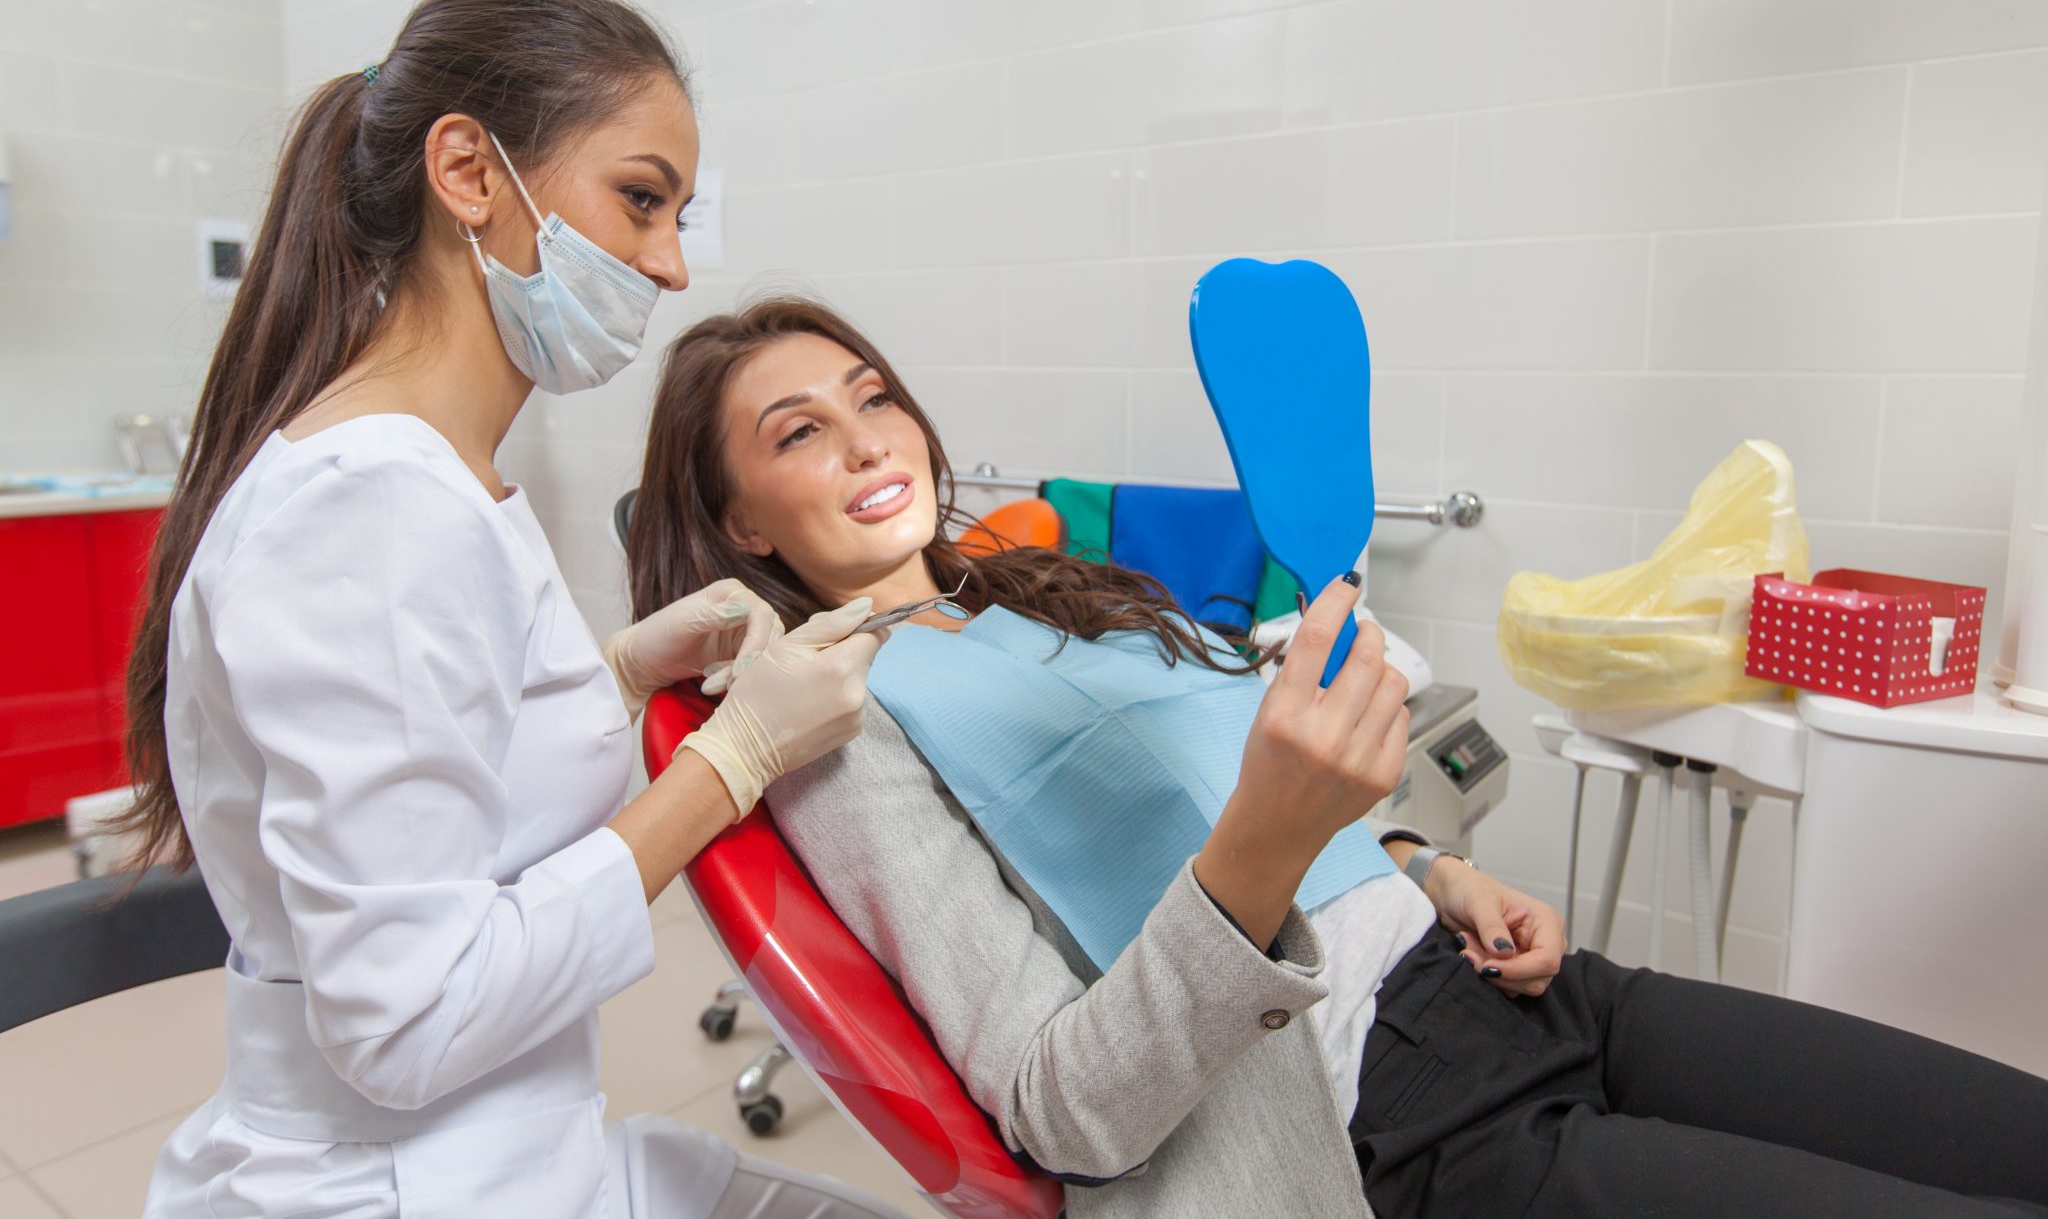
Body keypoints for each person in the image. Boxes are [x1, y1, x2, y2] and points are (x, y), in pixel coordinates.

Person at [626, 293, 2048, 1219]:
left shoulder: (1038, 592)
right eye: (800, 434)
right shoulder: (839, 720)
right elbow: (1060, 1106)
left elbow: (1240, 795)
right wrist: (1260, 844)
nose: (874, 442)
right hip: (1388, 1118)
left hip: (1528, 991)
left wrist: (1431, 868)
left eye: (876, 396)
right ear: (742, 518)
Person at [122, 0, 905, 1218]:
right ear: (469, 174)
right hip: (401, 1177)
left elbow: (436, 760)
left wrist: (616, 673)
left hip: (514, 1145)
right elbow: (413, 1022)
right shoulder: (367, 507)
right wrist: (734, 761)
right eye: (640, 201)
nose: (670, 266)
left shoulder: (440, 474)